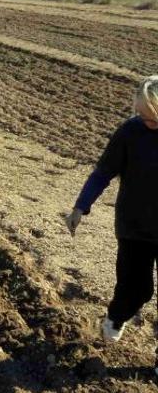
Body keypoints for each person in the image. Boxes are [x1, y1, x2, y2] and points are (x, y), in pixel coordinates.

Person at [66, 77, 158, 372]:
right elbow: (103, 172)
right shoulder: (130, 133)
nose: (146, 121)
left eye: (152, 116)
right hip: (135, 227)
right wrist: (81, 206)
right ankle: (116, 317)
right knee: (137, 289)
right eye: (142, 114)